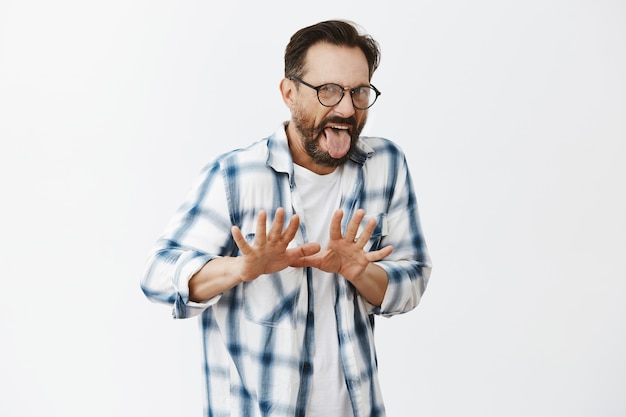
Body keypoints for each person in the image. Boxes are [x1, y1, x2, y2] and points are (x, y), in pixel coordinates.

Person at [141, 19, 432, 417]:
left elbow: (413, 278)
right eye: (328, 91)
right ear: (289, 92)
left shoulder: (386, 165)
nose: (346, 108)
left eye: (359, 92)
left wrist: (358, 272)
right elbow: (157, 275)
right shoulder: (235, 176)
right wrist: (241, 268)